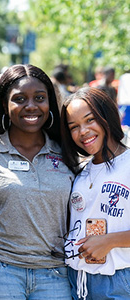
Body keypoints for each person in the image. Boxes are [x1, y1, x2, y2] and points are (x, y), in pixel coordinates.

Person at [0, 64, 74, 299]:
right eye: (19, 99)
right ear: (4, 106)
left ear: (50, 103)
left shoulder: (69, 154)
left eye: (40, 98)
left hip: (55, 273)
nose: (31, 106)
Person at [61, 87, 130, 300]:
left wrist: (110, 241)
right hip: (75, 279)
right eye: (74, 126)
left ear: (106, 116)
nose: (83, 131)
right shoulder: (80, 172)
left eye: (90, 120)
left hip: (117, 280)